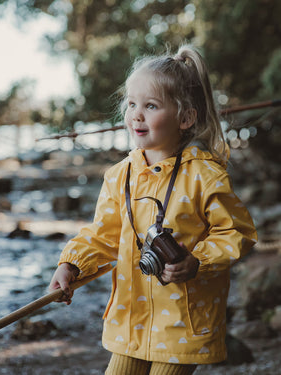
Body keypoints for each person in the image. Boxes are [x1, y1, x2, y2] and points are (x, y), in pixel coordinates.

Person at [49, 45, 257, 375]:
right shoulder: (119, 176)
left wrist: (197, 261)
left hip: (182, 323)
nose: (136, 114)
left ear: (185, 117)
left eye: (151, 105)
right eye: (131, 104)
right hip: (130, 320)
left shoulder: (204, 174)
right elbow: (102, 236)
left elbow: (236, 232)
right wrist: (71, 265)